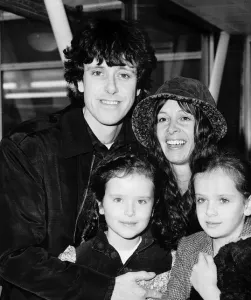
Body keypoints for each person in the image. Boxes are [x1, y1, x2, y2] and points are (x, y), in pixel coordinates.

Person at [0, 19, 159, 300]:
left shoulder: (145, 151)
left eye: (124, 74)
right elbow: (13, 256)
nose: (111, 88)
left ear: (138, 88)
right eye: (98, 72)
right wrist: (106, 290)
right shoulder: (29, 148)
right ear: (78, 81)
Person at [132, 76, 251, 250]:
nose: (171, 128)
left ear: (203, 128)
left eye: (184, 118)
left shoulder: (232, 186)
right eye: (162, 119)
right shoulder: (143, 183)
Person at [161, 149, 251, 300]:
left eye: (223, 200)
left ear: (248, 204)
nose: (210, 211)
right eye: (201, 200)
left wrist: (210, 292)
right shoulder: (189, 246)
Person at [58, 150, 173, 295]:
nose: (130, 211)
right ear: (100, 205)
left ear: (153, 208)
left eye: (141, 201)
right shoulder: (72, 261)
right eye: (118, 200)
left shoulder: (173, 263)